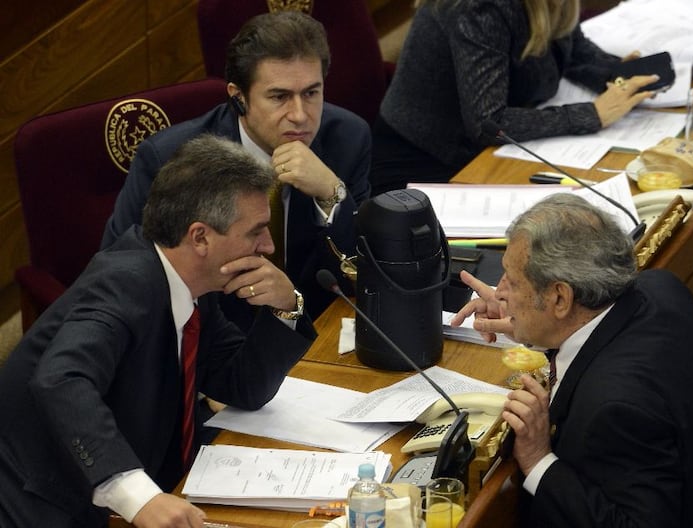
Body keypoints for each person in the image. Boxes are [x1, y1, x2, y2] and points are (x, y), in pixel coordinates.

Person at [0, 135, 317, 528]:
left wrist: (286, 308)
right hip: (51, 499)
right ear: (200, 236)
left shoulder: (198, 284)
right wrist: (136, 493)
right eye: (256, 231)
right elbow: (60, 379)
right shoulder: (125, 284)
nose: (268, 246)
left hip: (162, 476)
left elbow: (242, 387)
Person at [451, 194, 693, 527]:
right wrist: (529, 322)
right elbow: (592, 339)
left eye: (511, 279)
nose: (501, 290)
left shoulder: (616, 406)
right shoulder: (660, 288)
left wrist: (539, 461)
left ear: (560, 298)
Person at [101, 10, 371, 323]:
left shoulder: (347, 138)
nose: (300, 115)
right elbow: (119, 271)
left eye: (311, 93)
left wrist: (331, 193)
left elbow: (362, 274)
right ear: (238, 97)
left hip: (311, 326)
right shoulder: (169, 160)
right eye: (279, 96)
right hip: (212, 338)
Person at [370, 0, 658, 194]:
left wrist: (615, 74)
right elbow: (489, 123)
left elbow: (572, 50)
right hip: (426, 163)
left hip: (483, 153)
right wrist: (593, 114)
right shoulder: (478, 8)